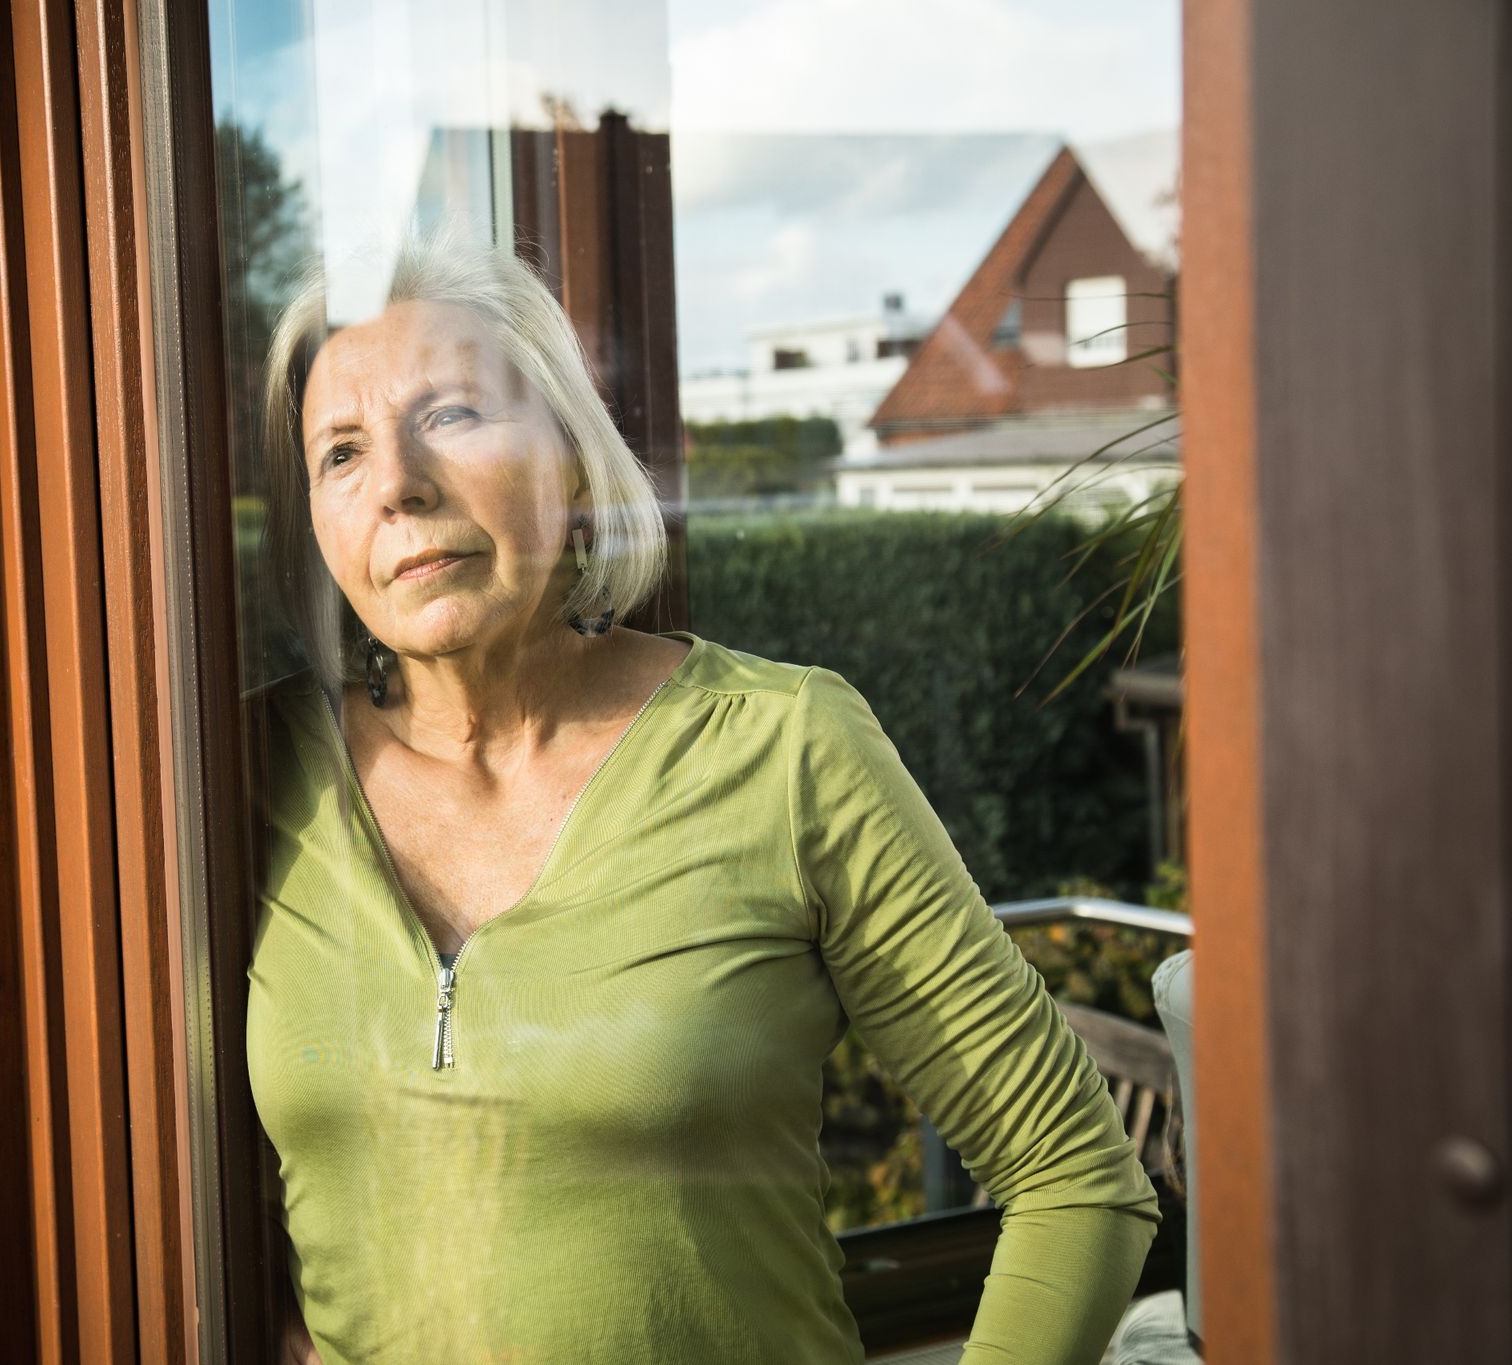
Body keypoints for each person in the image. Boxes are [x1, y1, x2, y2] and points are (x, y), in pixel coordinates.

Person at [246, 230, 1159, 1364]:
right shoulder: (249, 774)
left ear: (571, 459)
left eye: (450, 414)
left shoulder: (783, 749)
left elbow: (1073, 1173)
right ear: (314, 524)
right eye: (339, 454)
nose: (397, 484)